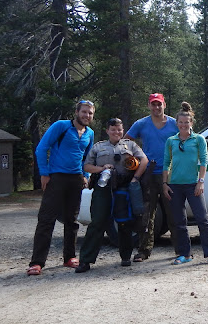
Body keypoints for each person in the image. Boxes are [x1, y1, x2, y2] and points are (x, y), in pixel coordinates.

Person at [27, 100, 95, 276]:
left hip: (76, 179)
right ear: (77, 112)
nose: (87, 115)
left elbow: (87, 157)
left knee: (72, 220)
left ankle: (69, 257)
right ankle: (37, 262)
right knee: (46, 219)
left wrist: (86, 175)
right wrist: (44, 173)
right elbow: (42, 148)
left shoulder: (90, 133)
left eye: (90, 113)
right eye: (84, 112)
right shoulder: (61, 126)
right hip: (56, 177)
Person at [76, 118, 148, 273]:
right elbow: (87, 166)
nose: (117, 132)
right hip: (103, 188)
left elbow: (144, 160)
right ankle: (85, 260)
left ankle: (126, 256)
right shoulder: (98, 146)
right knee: (97, 222)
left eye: (119, 129)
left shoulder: (130, 145)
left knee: (124, 222)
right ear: (107, 130)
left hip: (123, 187)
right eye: (113, 129)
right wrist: (101, 169)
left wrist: (135, 178)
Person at [163, 101, 208, 265]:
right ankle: (185, 254)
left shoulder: (199, 139)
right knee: (179, 222)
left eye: (186, 122)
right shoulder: (171, 141)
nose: (183, 125)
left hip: (193, 184)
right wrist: (165, 183)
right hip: (174, 185)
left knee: (202, 220)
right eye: (180, 122)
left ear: (191, 123)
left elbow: (204, 161)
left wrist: (200, 182)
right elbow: (166, 162)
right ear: (177, 123)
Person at [125, 93, 178, 262]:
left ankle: (180, 249)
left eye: (159, 104)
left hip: (169, 174)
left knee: (174, 213)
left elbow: (187, 139)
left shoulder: (174, 124)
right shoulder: (141, 124)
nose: (156, 107)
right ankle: (143, 250)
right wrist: (135, 157)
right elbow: (126, 141)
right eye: (153, 104)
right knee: (146, 214)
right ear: (149, 106)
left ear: (164, 105)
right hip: (148, 174)